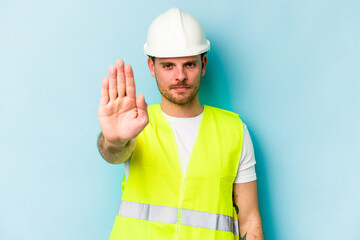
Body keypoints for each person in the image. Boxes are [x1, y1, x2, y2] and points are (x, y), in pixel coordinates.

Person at [97, 8, 264, 240]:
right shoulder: (135, 124)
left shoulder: (234, 131)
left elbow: (249, 219)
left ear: (203, 65)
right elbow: (113, 152)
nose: (180, 76)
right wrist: (113, 141)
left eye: (189, 65)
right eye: (168, 66)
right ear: (151, 67)